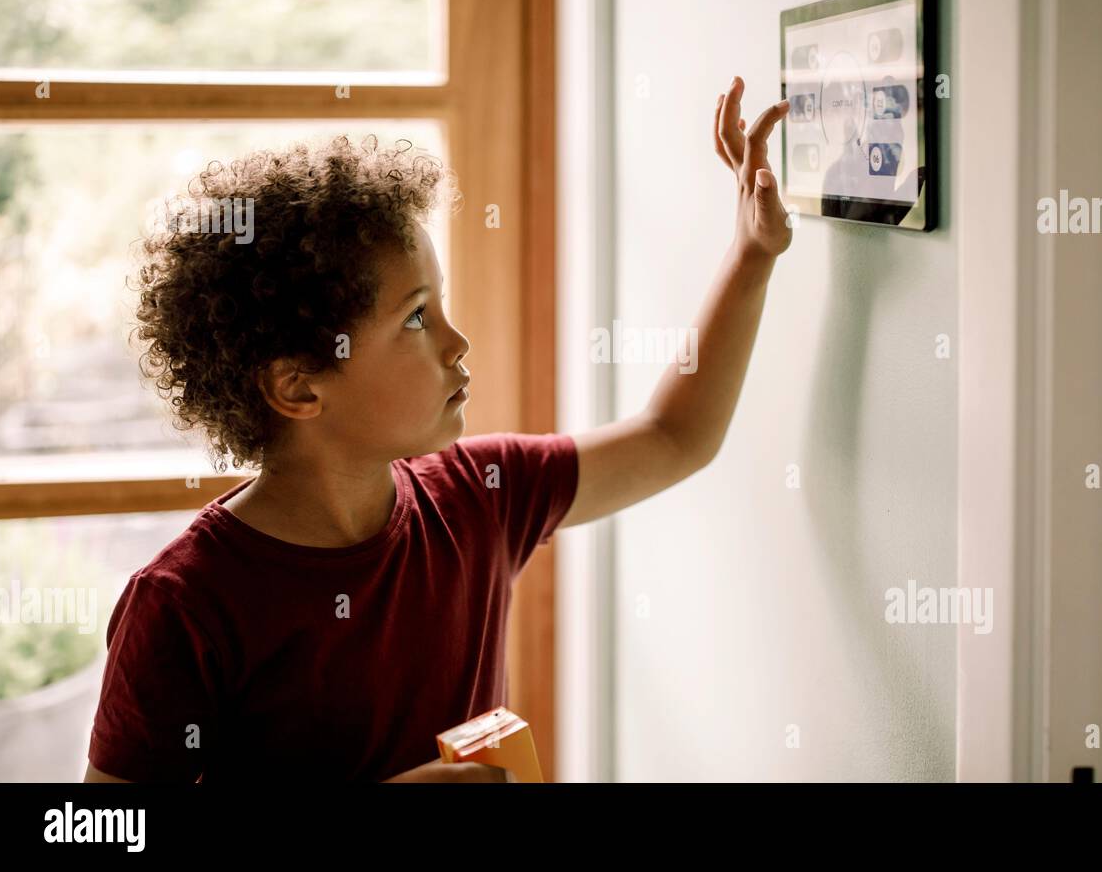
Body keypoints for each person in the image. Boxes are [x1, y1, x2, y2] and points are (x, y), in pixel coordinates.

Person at [84, 76, 791, 782]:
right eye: (417, 317)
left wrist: (751, 257)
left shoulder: (482, 494)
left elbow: (674, 438)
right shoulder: (184, 604)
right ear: (299, 385)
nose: (458, 342)